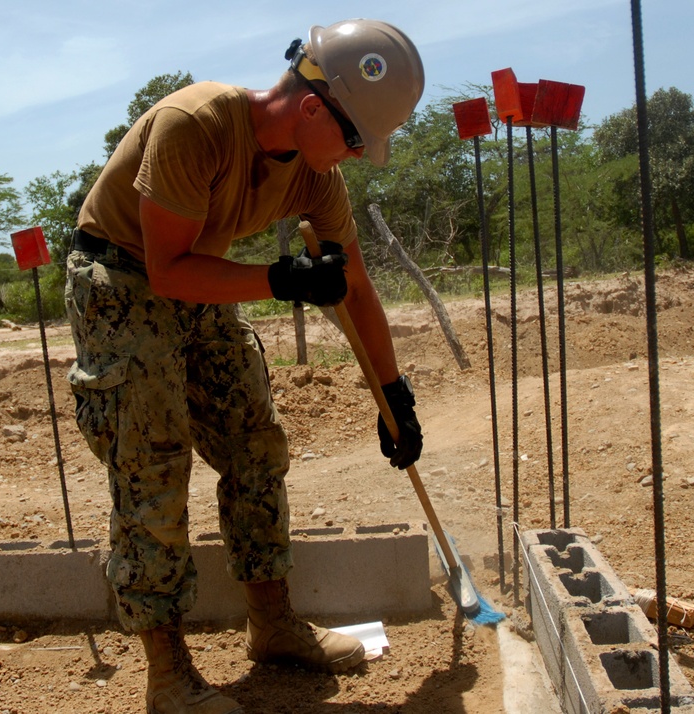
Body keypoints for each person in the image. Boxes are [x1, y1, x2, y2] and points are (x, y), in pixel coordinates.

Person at [65, 18, 425, 714]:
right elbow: (167, 270)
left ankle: (273, 625)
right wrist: (282, 280)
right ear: (314, 108)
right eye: (354, 140)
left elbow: (353, 288)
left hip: (198, 278)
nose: (354, 156)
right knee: (154, 462)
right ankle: (168, 677)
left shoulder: (315, 177)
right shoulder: (194, 123)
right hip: (121, 276)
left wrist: (394, 393)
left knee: (254, 443)